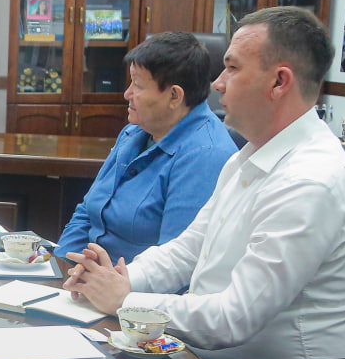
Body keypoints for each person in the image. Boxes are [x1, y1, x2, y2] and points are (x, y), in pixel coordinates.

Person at [64, 8, 345, 359]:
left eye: (231, 68)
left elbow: (236, 317)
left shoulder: (314, 179)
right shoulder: (249, 156)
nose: (217, 83)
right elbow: (188, 249)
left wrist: (126, 301)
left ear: (279, 82)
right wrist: (120, 280)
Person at [56, 32, 236, 263]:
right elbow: (86, 213)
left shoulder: (206, 156)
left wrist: (99, 279)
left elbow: (173, 264)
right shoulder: (135, 132)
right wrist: (60, 264)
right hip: (87, 276)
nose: (127, 94)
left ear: (174, 95)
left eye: (138, 85)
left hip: (132, 283)